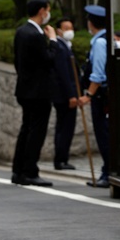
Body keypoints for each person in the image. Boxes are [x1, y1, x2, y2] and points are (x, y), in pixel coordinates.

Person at [11, 0, 58, 187]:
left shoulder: (21, 31)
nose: (48, 13)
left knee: (25, 130)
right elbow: (49, 59)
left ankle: (18, 171)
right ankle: (30, 171)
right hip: (39, 92)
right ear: (42, 11)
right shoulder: (36, 35)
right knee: (36, 132)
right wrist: (54, 40)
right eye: (48, 9)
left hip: (24, 89)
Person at [78, 5, 110, 188]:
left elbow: (98, 74)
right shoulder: (108, 39)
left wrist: (88, 94)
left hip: (101, 97)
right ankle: (106, 170)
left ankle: (107, 172)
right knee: (105, 133)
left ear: (91, 23)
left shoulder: (99, 43)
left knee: (103, 134)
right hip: (104, 95)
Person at [51, 17, 78, 170]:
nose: (69, 31)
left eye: (71, 27)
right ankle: (61, 159)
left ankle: (62, 158)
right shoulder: (60, 48)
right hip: (64, 96)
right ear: (59, 31)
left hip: (65, 95)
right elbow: (63, 74)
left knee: (64, 126)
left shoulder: (65, 46)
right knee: (65, 127)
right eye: (66, 28)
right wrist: (71, 95)